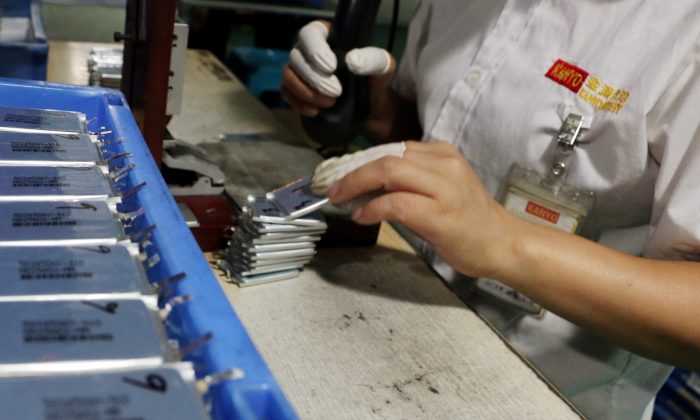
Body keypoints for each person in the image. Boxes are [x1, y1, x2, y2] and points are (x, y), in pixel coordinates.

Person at [281, 2, 700, 419]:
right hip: (382, 337)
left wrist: (504, 242)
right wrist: (374, 108)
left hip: (541, 397)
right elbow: (438, 134)